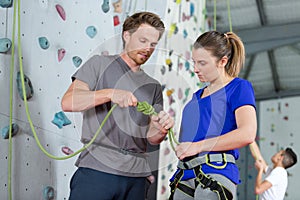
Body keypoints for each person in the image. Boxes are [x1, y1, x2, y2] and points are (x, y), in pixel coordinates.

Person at [61, 12, 174, 200]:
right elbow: (68, 102)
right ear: (126, 35)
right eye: (143, 40)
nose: (148, 48)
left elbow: (151, 138)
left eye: (153, 44)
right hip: (98, 170)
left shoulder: (152, 86)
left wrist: (161, 129)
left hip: (136, 177)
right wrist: (109, 93)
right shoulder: (99, 64)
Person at [169, 31, 257, 200]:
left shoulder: (239, 88)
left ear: (222, 61)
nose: (195, 69)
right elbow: (186, 143)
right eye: (194, 62)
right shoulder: (195, 97)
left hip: (216, 173)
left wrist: (198, 146)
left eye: (202, 63)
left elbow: (247, 133)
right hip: (184, 176)